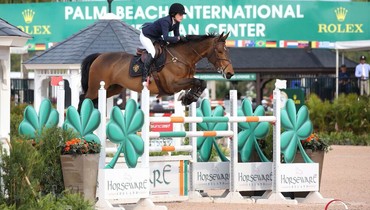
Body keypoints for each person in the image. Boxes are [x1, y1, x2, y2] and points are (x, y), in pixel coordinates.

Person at [140, 3, 187, 83]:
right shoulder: (166, 21)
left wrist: (183, 40)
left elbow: (177, 36)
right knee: (153, 52)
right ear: (173, 14)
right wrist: (178, 38)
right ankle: (145, 76)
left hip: (156, 36)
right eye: (180, 14)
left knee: (164, 49)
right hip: (146, 36)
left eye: (182, 14)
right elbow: (166, 38)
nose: (182, 16)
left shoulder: (177, 22)